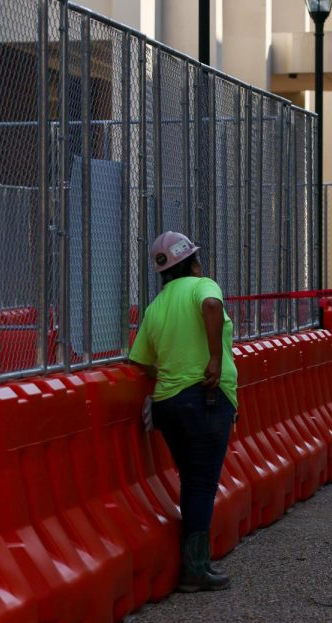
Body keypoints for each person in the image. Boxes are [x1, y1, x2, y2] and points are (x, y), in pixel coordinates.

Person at [129, 231, 238, 593]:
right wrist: (213, 359)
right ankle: (195, 567)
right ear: (192, 262)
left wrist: (170, 375)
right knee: (201, 484)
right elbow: (212, 307)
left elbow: (140, 360)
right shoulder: (202, 286)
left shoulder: (156, 306)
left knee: (191, 480)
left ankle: (194, 563)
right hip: (204, 400)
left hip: (168, 404)